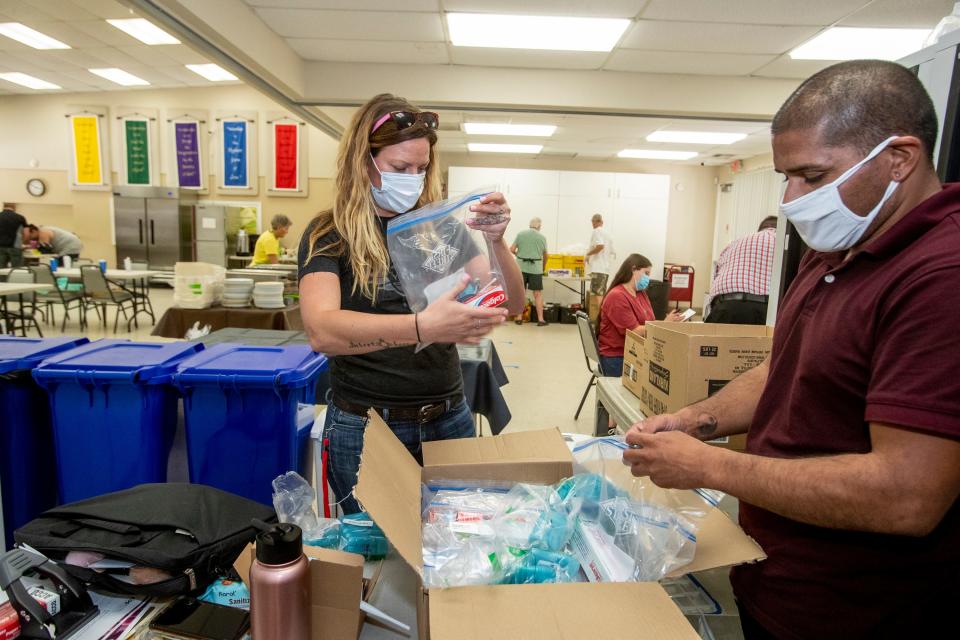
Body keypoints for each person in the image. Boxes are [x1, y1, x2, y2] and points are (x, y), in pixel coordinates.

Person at [622, 60, 960, 639]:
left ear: (899, 159)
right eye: (786, 176)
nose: (790, 199)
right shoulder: (840, 244)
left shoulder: (940, 277)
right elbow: (790, 369)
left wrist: (710, 466)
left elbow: (908, 495)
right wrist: (695, 420)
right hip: (778, 576)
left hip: (862, 609)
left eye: (811, 175)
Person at [298, 93, 524, 514]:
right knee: (376, 553)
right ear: (364, 161)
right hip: (366, 427)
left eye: (421, 169)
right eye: (401, 168)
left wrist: (497, 243)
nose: (413, 179)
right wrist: (422, 328)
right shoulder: (328, 234)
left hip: (448, 417)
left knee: (456, 540)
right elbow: (321, 331)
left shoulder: (438, 229)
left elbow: (510, 302)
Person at [596, 254, 681, 377]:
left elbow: (649, 322)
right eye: (646, 273)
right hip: (617, 358)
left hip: (636, 351)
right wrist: (664, 325)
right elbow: (634, 331)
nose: (647, 278)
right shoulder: (617, 296)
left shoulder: (641, 294)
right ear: (633, 269)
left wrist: (666, 322)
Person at [704, 216, 777, 324]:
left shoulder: (734, 243)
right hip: (762, 311)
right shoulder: (782, 242)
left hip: (722, 308)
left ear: (760, 229)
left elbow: (716, 276)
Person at [510, 217, 548, 326]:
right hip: (536, 268)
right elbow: (546, 255)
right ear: (539, 226)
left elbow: (511, 249)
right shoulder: (542, 237)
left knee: (521, 292)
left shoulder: (521, 234)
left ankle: (518, 317)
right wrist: (543, 267)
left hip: (521, 267)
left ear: (530, 225)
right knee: (537, 294)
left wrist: (519, 256)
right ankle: (540, 320)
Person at [585, 213, 613, 295]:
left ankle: (599, 308)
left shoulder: (596, 231)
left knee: (597, 294)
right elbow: (611, 251)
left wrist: (588, 254)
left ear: (594, 222)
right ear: (602, 222)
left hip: (598, 268)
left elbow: (600, 246)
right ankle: (602, 308)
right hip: (605, 269)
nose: (592, 224)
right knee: (602, 294)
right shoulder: (608, 234)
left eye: (593, 222)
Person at [0, 203, 27, 268]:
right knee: (17, 269)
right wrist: (23, 243)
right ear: (14, 207)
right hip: (15, 247)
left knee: (0, 269)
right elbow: (26, 233)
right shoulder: (20, 217)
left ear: (4, 207)